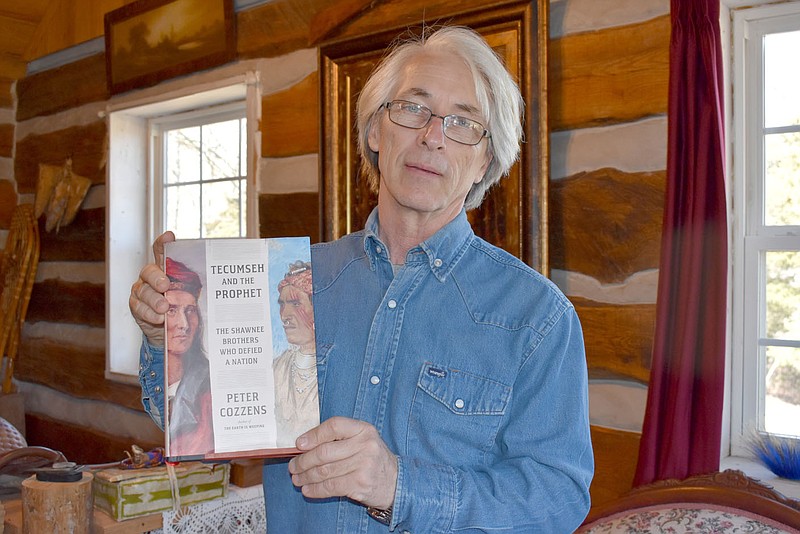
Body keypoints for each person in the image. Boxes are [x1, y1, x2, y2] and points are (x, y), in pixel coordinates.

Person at [131, 25, 593, 532]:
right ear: (376, 130)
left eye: (463, 123)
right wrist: (166, 341)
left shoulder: (538, 318)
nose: (432, 137)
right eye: (413, 109)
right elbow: (202, 420)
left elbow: (558, 501)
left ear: (486, 158)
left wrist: (400, 486)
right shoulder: (294, 282)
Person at [163, 257, 214, 457]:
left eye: (190, 310)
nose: (183, 323)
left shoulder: (206, 386)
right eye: (172, 310)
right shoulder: (153, 379)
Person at [272, 260, 320, 447]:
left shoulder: (335, 365)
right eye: (282, 304)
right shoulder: (277, 367)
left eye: (295, 303)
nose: (285, 315)